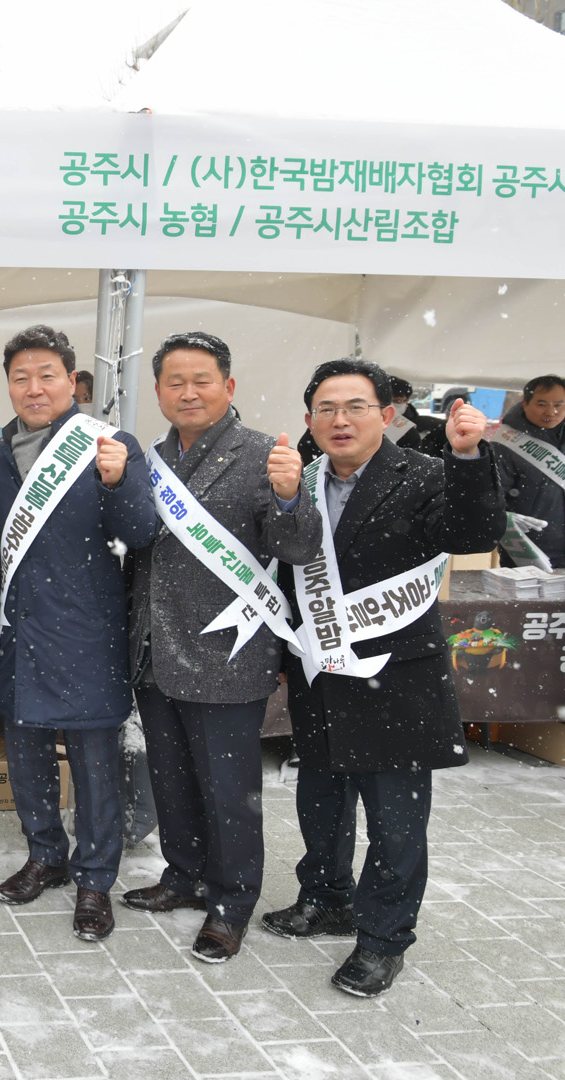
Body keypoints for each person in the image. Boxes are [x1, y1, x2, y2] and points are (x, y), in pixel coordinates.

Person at [264, 359, 503, 998]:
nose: (340, 420)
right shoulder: (300, 478)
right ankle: (326, 898)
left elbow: (474, 532)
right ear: (310, 418)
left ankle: (383, 939)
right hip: (321, 673)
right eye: (326, 409)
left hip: (397, 677)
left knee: (395, 821)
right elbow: (283, 568)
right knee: (321, 800)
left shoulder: (424, 473)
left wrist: (467, 455)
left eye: (356, 407)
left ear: (386, 414)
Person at [122, 331, 322, 964]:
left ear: (228, 386)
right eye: (174, 382)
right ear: (158, 391)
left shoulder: (264, 455)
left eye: (201, 380)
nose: (188, 393)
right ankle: (183, 875)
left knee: (228, 791)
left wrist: (290, 497)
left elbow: (298, 548)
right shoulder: (153, 458)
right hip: (156, 651)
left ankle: (232, 902)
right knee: (172, 779)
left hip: (227, 653)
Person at [0, 326, 157, 940]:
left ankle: (95, 879)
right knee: (26, 753)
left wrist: (118, 482)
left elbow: (141, 532)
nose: (34, 388)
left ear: (72, 381)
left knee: (94, 766)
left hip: (85, 631)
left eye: (47, 376)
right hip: (18, 630)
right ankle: (45, 855)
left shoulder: (109, 445)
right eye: (21, 377)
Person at [495, 374, 565, 569]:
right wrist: (503, 521)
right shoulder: (506, 442)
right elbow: (493, 496)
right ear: (526, 403)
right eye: (542, 404)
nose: (551, 412)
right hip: (525, 552)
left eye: (559, 405)